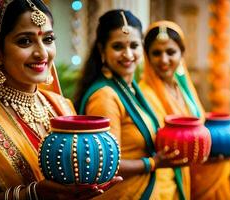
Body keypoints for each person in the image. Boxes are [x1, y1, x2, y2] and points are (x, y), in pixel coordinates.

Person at [0, 0, 121, 199]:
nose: (42, 53)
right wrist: (31, 194)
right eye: (25, 41)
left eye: (48, 39)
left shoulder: (60, 105)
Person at [74, 10, 184, 200]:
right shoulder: (105, 96)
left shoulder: (129, 88)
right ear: (102, 50)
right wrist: (153, 163)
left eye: (134, 45)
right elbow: (105, 164)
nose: (128, 54)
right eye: (118, 46)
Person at [139, 20, 230, 200]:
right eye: (156, 53)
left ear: (182, 54)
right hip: (170, 168)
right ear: (147, 57)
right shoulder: (143, 93)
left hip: (195, 161)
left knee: (226, 163)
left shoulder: (182, 87)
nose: (164, 59)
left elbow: (199, 122)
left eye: (171, 52)